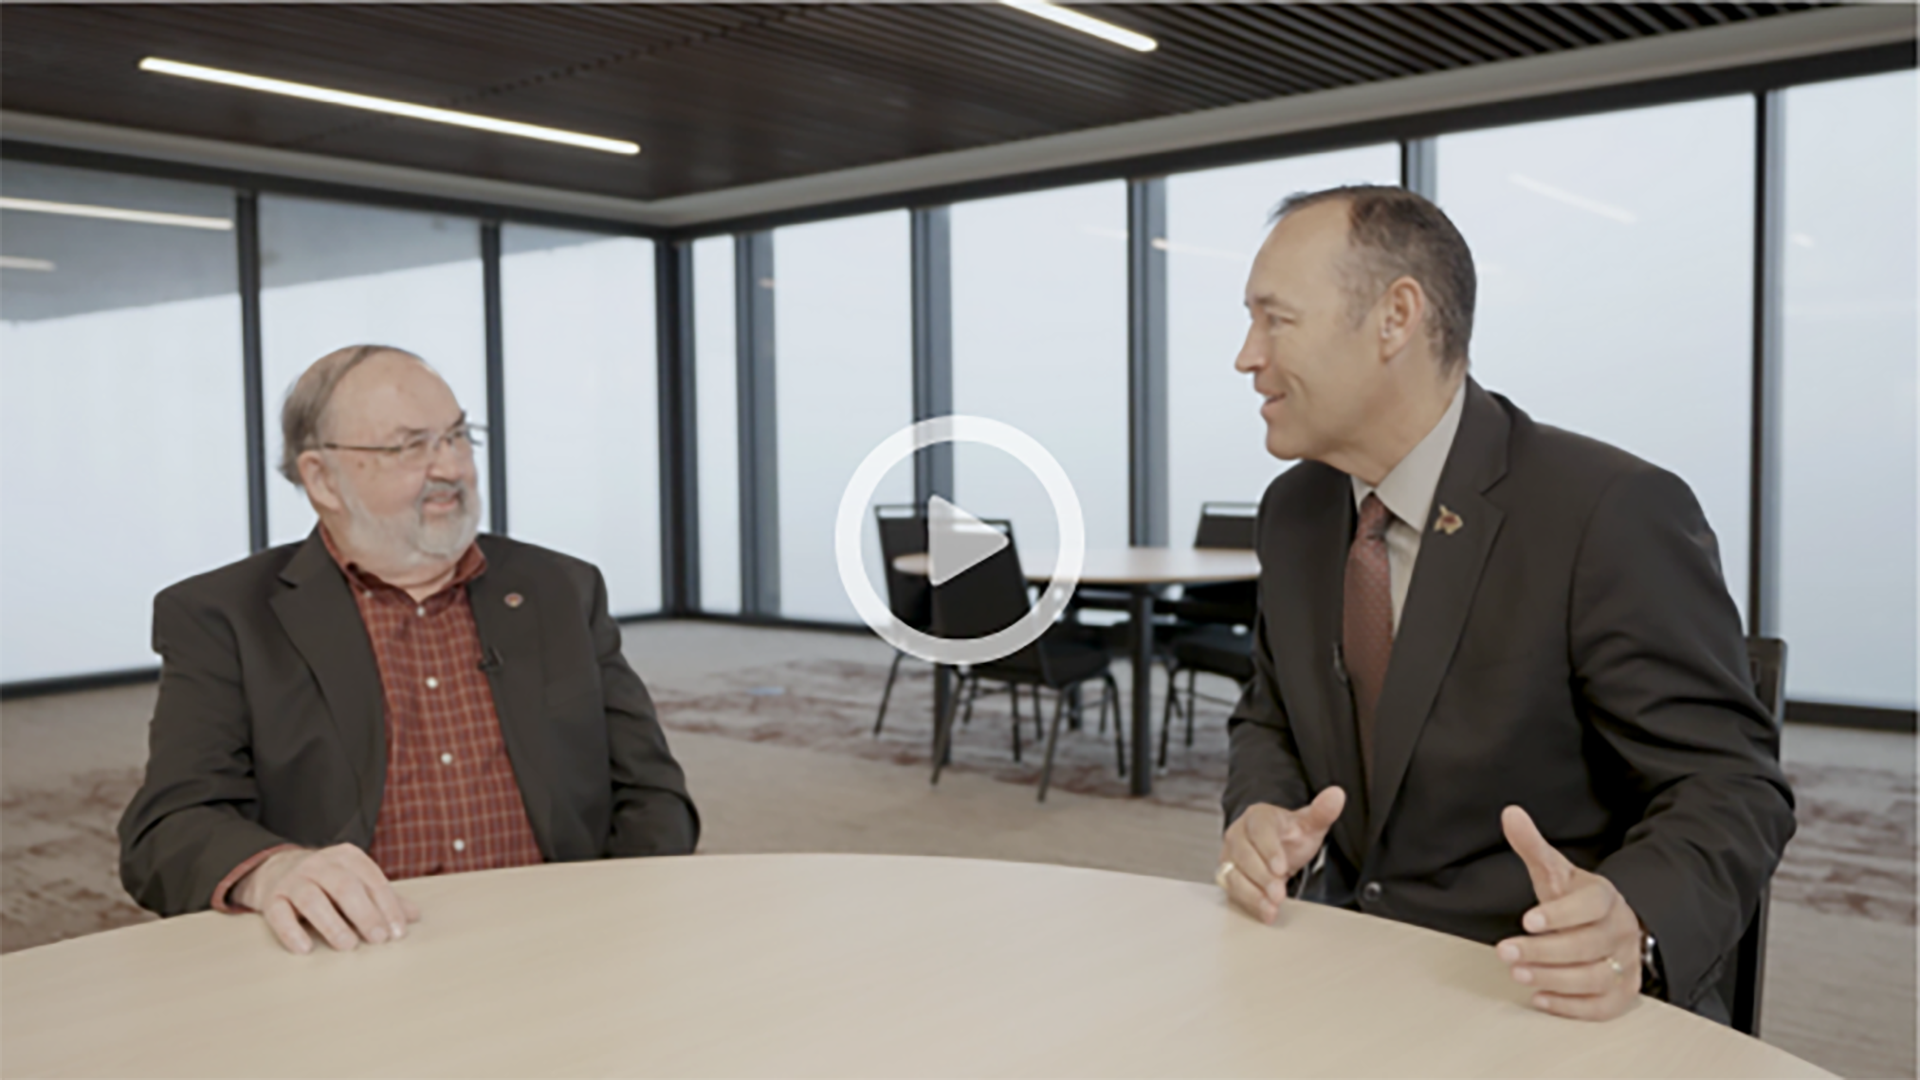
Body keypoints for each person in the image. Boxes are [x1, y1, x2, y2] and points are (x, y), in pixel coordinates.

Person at [1217, 185, 1794, 1024]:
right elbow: (1269, 716)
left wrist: (1631, 921)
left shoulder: (1606, 511)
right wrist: (1261, 812)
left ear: (1395, 317)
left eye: (1276, 319)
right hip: (1337, 975)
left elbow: (1733, 785)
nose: (1246, 355)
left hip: (1532, 994)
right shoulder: (1296, 512)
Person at [119, 344, 697, 954]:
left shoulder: (560, 589)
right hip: (354, 960)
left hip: (561, 942)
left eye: (456, 437)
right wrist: (275, 871)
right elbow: (167, 830)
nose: (449, 466)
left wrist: (616, 916)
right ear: (322, 478)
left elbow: (652, 794)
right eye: (410, 446)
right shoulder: (225, 617)